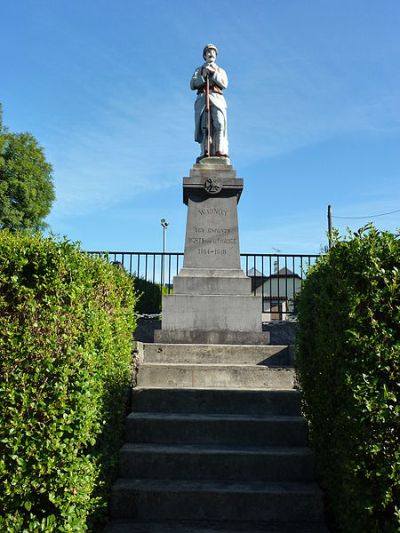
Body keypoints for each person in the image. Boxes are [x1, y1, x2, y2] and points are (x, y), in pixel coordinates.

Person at [190, 44, 229, 159]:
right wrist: (203, 76)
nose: (211, 54)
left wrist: (213, 74)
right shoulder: (199, 70)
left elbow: (224, 84)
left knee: (219, 123)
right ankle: (204, 151)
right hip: (203, 98)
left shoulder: (220, 70)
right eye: (208, 52)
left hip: (217, 97)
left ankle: (219, 149)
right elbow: (192, 85)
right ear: (204, 55)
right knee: (204, 126)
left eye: (213, 52)